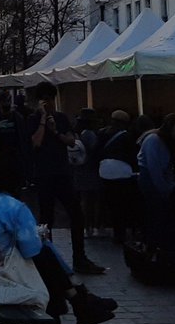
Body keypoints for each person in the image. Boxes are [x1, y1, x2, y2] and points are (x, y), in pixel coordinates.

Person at [0, 153, 118, 324]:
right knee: (45, 259)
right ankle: (74, 308)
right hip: (6, 277)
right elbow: (31, 251)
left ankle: (78, 305)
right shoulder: (15, 207)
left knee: (46, 259)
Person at [28, 96, 105, 275]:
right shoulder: (32, 120)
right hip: (44, 174)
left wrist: (55, 131)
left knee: (76, 214)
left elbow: (71, 141)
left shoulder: (61, 118)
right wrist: (41, 121)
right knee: (46, 219)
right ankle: (50, 258)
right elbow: (36, 142)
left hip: (62, 173)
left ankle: (80, 257)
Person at [137, 113, 175, 254]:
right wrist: (166, 189)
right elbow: (154, 169)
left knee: (157, 215)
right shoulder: (154, 140)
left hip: (157, 181)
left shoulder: (160, 140)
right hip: (152, 182)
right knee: (156, 214)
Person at [98, 110, 139, 245]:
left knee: (112, 204)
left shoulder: (102, 133)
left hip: (105, 171)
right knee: (124, 203)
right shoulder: (127, 136)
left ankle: (117, 233)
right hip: (122, 172)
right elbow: (133, 155)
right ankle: (128, 232)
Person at [73, 108, 104, 238]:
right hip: (92, 169)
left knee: (84, 200)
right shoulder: (91, 134)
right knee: (96, 200)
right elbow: (95, 151)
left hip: (80, 169)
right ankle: (95, 227)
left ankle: (87, 227)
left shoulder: (78, 134)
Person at [0, 93, 27, 193]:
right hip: (1, 158)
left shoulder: (17, 118)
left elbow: (22, 138)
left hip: (15, 158)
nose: (6, 104)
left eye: (8, 101)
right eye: (5, 101)